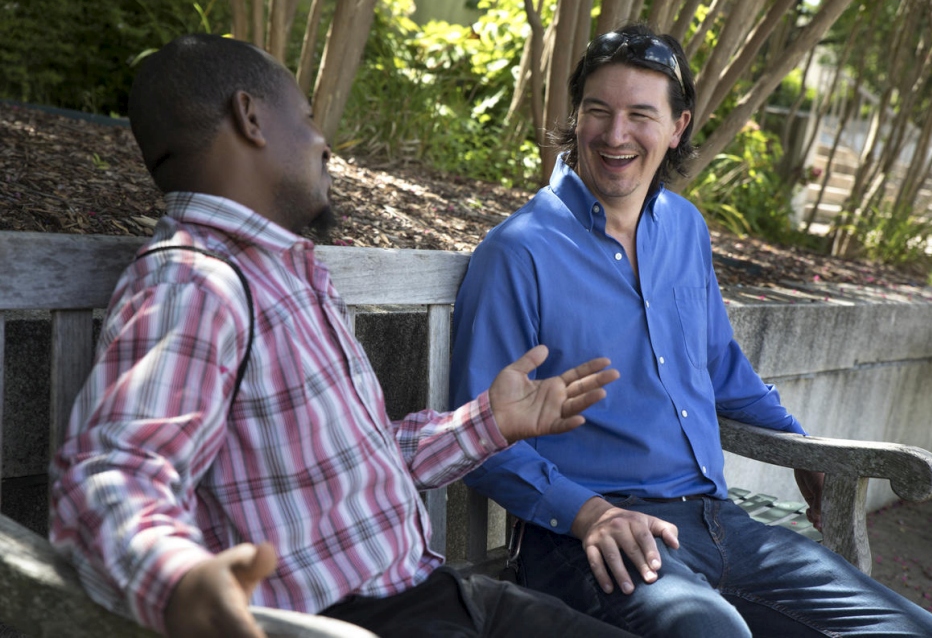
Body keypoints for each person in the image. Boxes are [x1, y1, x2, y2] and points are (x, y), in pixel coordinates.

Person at [48, 33, 636, 638]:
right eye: (306, 118)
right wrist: (180, 583)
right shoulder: (195, 282)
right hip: (352, 621)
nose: (322, 142)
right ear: (250, 117)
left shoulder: (284, 275)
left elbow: (364, 461)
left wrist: (490, 421)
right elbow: (113, 475)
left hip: (438, 592)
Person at [449, 22, 932, 638]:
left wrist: (803, 450)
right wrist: (588, 514)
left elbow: (721, 368)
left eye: (641, 114)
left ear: (677, 127)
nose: (615, 134)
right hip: (589, 537)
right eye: (598, 110)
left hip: (721, 525)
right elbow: (477, 436)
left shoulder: (684, 228)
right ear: (576, 115)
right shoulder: (519, 251)